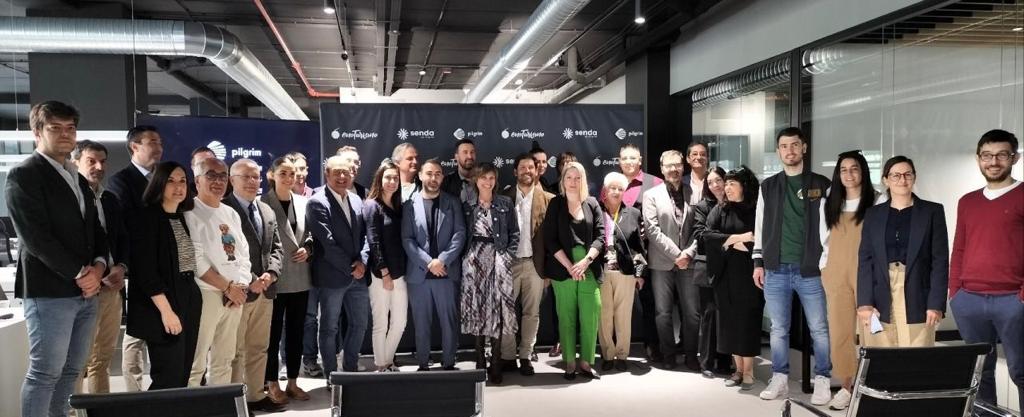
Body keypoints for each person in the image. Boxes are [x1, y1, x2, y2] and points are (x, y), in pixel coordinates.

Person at [6, 101, 109, 417]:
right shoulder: (24, 175)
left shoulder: (77, 178)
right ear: (37, 132)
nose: (66, 134)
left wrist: (99, 266)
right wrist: (81, 273)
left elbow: (94, 229)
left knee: (72, 370)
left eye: (70, 128)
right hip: (50, 291)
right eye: (56, 128)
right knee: (45, 372)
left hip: (87, 292)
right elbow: (35, 238)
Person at [752, 127, 832, 404]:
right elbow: (760, 225)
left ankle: (823, 379)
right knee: (778, 329)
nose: (790, 151)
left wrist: (828, 262)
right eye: (784, 146)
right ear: (778, 151)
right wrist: (758, 262)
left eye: (795, 145)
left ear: (804, 148)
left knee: (819, 328)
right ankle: (780, 378)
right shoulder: (768, 186)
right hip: (776, 268)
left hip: (811, 270)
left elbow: (832, 228)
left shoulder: (822, 184)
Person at [949, 129, 1023, 408]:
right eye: (987, 155)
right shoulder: (967, 201)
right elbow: (959, 248)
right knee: (980, 372)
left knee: (1021, 371)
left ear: (1014, 158)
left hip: (1013, 300)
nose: (993, 162)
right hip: (969, 299)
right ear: (978, 158)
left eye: (1001, 155)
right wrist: (955, 292)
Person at [125, 161, 202, 390]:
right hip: (162, 306)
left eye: (182, 181)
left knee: (182, 374)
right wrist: (167, 312)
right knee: (168, 376)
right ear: (159, 183)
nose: (178, 187)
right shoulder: (146, 217)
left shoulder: (179, 216)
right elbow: (146, 272)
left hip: (187, 298)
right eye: (171, 181)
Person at [857, 156, 949, 348]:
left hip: (918, 291)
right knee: (881, 351)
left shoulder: (932, 211)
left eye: (908, 174)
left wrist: (936, 303)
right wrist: (864, 302)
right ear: (886, 180)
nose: (902, 180)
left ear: (914, 177)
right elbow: (865, 260)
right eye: (896, 175)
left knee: (918, 352)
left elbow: (940, 261)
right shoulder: (873, 214)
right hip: (880, 292)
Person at [223, 159, 286, 412]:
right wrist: (251, 280)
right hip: (237, 292)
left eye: (255, 177)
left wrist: (271, 274)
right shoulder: (224, 209)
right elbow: (227, 252)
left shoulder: (266, 210)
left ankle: (256, 396)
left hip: (266, 291)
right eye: (245, 177)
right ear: (232, 180)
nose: (252, 181)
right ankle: (236, 400)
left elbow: (277, 248)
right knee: (235, 351)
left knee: (259, 347)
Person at [817, 150, 877, 410]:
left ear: (863, 171)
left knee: (872, 331)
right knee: (840, 331)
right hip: (836, 272)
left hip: (869, 273)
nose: (849, 174)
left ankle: (871, 385)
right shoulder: (829, 202)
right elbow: (824, 239)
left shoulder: (878, 200)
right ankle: (846, 387)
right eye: (843, 169)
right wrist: (825, 268)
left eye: (854, 168)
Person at [185, 157, 251, 387]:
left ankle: (219, 405)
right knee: (196, 363)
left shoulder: (230, 213)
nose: (218, 181)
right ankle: (190, 404)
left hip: (234, 296)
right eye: (211, 175)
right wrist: (227, 287)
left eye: (223, 176)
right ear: (197, 180)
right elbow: (195, 259)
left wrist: (240, 285)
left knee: (224, 360)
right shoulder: (190, 212)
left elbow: (243, 253)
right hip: (207, 294)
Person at [108, 124, 163, 392]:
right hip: (136, 267)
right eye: (152, 142)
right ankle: (134, 393)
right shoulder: (121, 181)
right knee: (136, 333)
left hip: (163, 266)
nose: (159, 148)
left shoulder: (163, 178)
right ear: (134, 146)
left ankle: (162, 391)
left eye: (160, 143)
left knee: (161, 328)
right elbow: (126, 225)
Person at [71, 141, 129, 394]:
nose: (98, 167)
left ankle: (100, 408)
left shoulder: (109, 199)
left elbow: (122, 238)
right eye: (91, 161)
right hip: (82, 288)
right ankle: (71, 410)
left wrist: (121, 267)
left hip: (111, 288)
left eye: (103, 161)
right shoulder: (71, 198)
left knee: (103, 357)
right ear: (75, 162)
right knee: (77, 360)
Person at [401, 158, 467, 371]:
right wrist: (429, 262)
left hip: (446, 273)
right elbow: (407, 239)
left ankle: (449, 363)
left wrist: (442, 260)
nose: (433, 178)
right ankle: (423, 364)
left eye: (438, 174)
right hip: (419, 275)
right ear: (421, 176)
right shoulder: (409, 205)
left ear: (442, 177)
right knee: (421, 323)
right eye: (429, 173)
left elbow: (460, 234)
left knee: (449, 322)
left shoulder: (453, 202)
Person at [306, 156, 369, 375]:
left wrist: (363, 261)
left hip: (358, 276)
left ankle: (350, 371)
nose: (342, 177)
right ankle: (332, 376)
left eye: (346, 172)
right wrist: (352, 267)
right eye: (336, 172)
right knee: (329, 328)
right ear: (327, 174)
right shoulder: (317, 202)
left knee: (360, 324)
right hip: (332, 277)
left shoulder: (357, 200)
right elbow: (327, 243)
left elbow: (365, 236)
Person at [543, 161, 605, 380]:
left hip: (588, 266)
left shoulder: (592, 203)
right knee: (566, 316)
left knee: (591, 314)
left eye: (577, 178)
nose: (573, 182)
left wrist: (586, 261)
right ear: (563, 180)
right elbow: (549, 239)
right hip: (563, 268)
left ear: (583, 180)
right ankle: (569, 361)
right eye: (568, 177)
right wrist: (570, 266)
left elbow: (600, 237)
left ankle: (586, 362)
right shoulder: (556, 204)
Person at [702, 166, 762, 391]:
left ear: (744, 186)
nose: (726, 188)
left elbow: (759, 239)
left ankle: (749, 371)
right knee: (729, 322)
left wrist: (730, 242)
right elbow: (707, 235)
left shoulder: (756, 209)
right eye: (725, 183)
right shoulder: (720, 209)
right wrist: (736, 239)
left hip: (749, 275)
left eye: (731, 184)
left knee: (747, 321)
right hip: (725, 275)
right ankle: (737, 370)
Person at [641, 150, 700, 371]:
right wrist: (677, 255)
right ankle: (668, 355)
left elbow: (700, 228)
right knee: (663, 312)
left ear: (683, 167)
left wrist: (689, 253)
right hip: (662, 263)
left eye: (677, 165)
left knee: (692, 313)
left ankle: (691, 356)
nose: (673, 169)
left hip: (689, 262)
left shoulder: (694, 193)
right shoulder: (651, 195)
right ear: (662, 168)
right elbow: (652, 230)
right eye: (669, 165)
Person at [461, 163, 519, 384]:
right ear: (476, 180)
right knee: (477, 308)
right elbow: (461, 233)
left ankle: (495, 361)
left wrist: (507, 257)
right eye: (483, 178)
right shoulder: (468, 205)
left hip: (498, 261)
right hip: (474, 261)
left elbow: (515, 233)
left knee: (497, 311)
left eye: (491, 178)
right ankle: (479, 359)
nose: (488, 182)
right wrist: (465, 258)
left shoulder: (505, 203)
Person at [261, 157, 313, 401]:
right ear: (271, 175)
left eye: (292, 173)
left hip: (300, 277)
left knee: (296, 333)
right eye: (283, 173)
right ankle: (272, 382)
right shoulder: (262, 203)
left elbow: (310, 235)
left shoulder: (303, 202)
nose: (289, 178)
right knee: (271, 335)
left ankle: (293, 381)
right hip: (274, 278)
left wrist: (308, 249)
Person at [497, 153, 554, 376]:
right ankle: (508, 356)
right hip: (509, 265)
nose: (527, 171)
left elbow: (552, 239)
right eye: (522, 167)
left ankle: (525, 356)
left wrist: (548, 271)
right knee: (506, 313)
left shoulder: (549, 199)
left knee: (532, 313)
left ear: (537, 171)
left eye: (531, 167)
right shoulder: (503, 198)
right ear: (515, 172)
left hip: (535, 266)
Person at [616, 143, 662, 362]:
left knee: (650, 301)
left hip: (649, 253)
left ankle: (652, 344)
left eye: (632, 158)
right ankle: (616, 348)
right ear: (619, 161)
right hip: (619, 255)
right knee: (617, 303)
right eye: (624, 158)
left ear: (640, 160)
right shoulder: (613, 184)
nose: (628, 162)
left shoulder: (655, 183)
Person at [596, 172, 645, 372]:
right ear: (605, 191)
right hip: (601, 271)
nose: (616, 192)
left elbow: (640, 247)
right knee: (604, 314)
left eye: (620, 189)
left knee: (623, 316)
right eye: (612, 188)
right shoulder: (596, 211)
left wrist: (640, 274)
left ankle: (622, 355)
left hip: (625, 272)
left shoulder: (633, 213)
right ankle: (608, 355)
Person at [363, 160, 408, 373]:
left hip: (400, 273)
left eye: (395, 178)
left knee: (400, 322)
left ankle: (387, 361)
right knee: (381, 323)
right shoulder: (372, 205)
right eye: (388, 177)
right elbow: (374, 241)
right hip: (380, 274)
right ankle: (381, 365)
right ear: (380, 179)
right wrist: (384, 272)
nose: (392, 182)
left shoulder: (398, 207)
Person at [690, 166, 731, 378]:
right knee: (708, 314)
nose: (715, 185)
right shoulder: (702, 206)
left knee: (726, 313)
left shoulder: (735, 204)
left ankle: (724, 361)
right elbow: (700, 235)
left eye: (719, 180)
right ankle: (705, 362)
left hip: (731, 267)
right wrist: (728, 239)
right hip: (707, 267)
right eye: (711, 182)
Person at [441, 139, 478, 203]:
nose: (470, 156)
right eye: (465, 152)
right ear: (456, 156)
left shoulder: (485, 180)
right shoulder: (446, 182)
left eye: (472, 152)